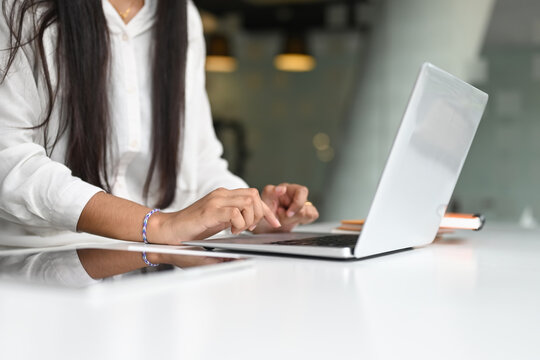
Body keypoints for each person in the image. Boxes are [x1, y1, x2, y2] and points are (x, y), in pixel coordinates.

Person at [0, 0, 319, 285]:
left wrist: (250, 214)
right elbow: (10, 162)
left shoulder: (183, 16)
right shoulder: (19, 9)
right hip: (37, 268)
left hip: (154, 263)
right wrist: (158, 225)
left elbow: (200, 161)